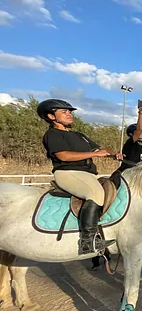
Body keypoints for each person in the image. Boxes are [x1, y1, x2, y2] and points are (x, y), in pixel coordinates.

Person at [37, 99, 121, 255]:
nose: (69, 114)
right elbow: (63, 156)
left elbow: (100, 148)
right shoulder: (52, 134)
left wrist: (113, 154)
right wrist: (93, 154)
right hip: (68, 173)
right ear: (50, 116)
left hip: (87, 174)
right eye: (64, 111)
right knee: (95, 193)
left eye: (70, 111)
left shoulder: (79, 135)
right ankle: (88, 242)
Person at [117, 100, 142, 172]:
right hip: (126, 173)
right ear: (131, 134)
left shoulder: (139, 146)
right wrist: (141, 113)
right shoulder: (130, 143)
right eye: (140, 132)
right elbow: (139, 130)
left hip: (134, 174)